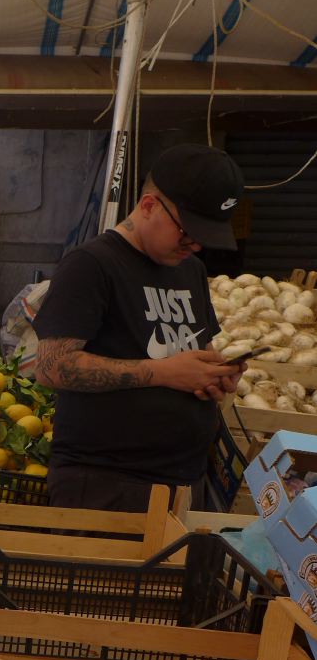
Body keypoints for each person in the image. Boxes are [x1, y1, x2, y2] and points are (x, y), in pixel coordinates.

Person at [33, 143, 245, 512]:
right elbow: (52, 367)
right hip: (106, 487)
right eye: (187, 230)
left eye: (204, 236)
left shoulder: (190, 270)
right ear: (149, 206)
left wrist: (214, 373)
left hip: (183, 483)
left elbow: (197, 348)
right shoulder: (91, 265)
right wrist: (163, 373)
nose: (194, 245)